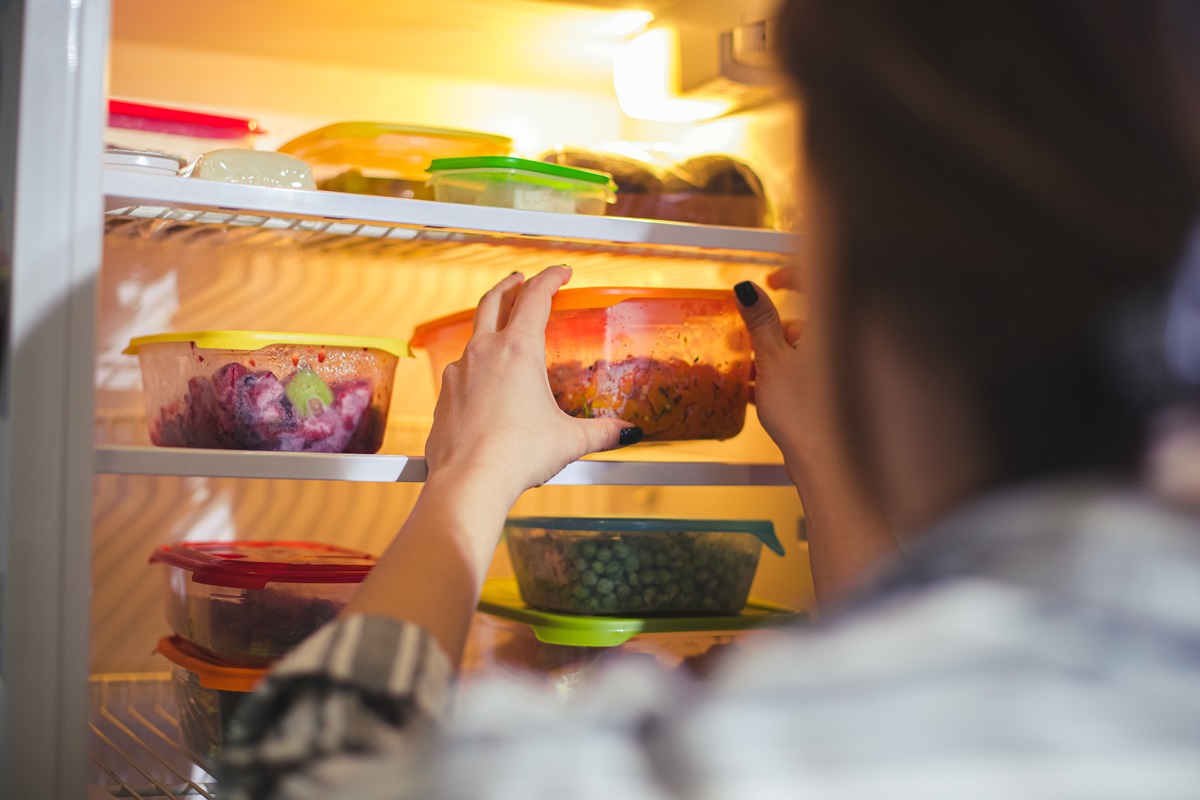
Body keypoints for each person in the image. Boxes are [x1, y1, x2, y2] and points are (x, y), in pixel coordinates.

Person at [222, 1, 1200, 797]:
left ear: (898, 291)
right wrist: (829, 451)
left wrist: (469, 475)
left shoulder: (768, 756)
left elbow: (299, 772)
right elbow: (903, 657)